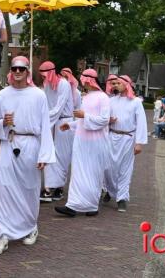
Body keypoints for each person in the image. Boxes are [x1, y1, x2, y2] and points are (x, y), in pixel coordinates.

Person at [0, 56, 56, 254]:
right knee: (3, 187)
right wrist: (2, 122)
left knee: (29, 188)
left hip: (31, 145)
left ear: (27, 72)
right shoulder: (2, 95)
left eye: (22, 69)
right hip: (8, 142)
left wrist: (44, 155)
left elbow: (45, 126)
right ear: (11, 70)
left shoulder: (38, 95)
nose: (18, 72)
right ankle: (3, 234)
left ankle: (30, 227)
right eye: (14, 68)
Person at [54, 69, 110, 217]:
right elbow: (82, 120)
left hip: (95, 144)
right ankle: (72, 205)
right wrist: (71, 125)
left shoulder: (103, 97)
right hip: (81, 141)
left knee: (93, 173)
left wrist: (85, 115)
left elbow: (104, 120)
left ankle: (92, 206)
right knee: (78, 172)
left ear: (88, 80)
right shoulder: (87, 97)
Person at [104, 75, 147, 212]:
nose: (115, 85)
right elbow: (104, 118)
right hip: (112, 137)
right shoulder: (111, 101)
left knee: (125, 170)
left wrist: (139, 142)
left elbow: (141, 122)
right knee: (108, 169)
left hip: (128, 138)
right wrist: (108, 121)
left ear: (127, 84)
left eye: (118, 83)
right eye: (114, 83)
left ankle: (122, 198)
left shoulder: (136, 102)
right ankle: (110, 191)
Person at [38, 61, 74, 202]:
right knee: (51, 154)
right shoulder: (47, 85)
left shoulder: (63, 84)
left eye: (44, 74)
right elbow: (46, 104)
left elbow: (59, 107)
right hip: (52, 123)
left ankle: (58, 188)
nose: (42, 78)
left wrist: (44, 121)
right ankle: (50, 188)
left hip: (64, 123)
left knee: (62, 156)